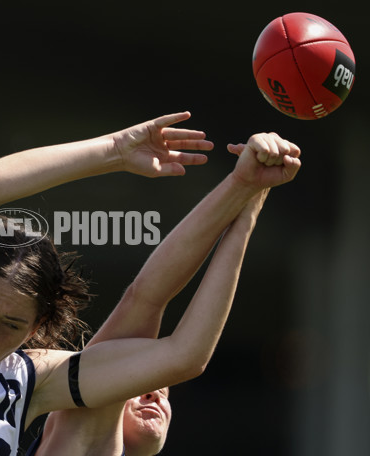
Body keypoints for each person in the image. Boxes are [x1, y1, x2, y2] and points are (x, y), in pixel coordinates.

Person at [0, 112, 301, 455]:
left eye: (12, 325)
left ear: (36, 329)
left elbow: (182, 353)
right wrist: (114, 151)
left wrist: (248, 198)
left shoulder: (29, 381)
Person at [25, 137, 278, 455]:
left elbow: (149, 303)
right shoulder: (78, 437)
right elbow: (147, 302)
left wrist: (248, 200)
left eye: (161, 391)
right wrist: (243, 193)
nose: (154, 395)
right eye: (139, 384)